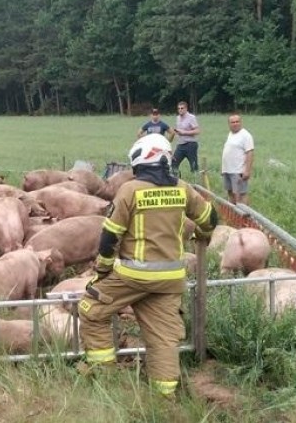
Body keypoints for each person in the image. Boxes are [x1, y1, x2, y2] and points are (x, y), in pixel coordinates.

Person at [79, 133, 217, 399]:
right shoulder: (183, 189)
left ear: (141, 162)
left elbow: (109, 236)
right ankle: (164, 396)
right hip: (171, 278)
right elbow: (210, 219)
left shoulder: (130, 190)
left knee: (91, 309)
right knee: (164, 337)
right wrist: (202, 234)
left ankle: (104, 375)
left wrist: (104, 270)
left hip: (134, 275)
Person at [220, 113, 254, 205]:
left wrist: (247, 171)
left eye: (237, 121)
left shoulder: (246, 135)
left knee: (241, 194)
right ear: (229, 124)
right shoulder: (231, 134)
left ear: (241, 122)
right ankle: (233, 215)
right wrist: (223, 168)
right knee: (230, 192)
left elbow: (250, 153)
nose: (235, 124)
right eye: (232, 122)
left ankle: (244, 216)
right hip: (228, 170)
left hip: (238, 170)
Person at [171, 102, 201, 178]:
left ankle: (196, 181)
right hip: (180, 145)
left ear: (186, 109)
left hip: (190, 144)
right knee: (173, 162)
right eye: (178, 108)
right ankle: (176, 179)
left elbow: (197, 131)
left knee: (193, 165)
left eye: (182, 108)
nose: (180, 110)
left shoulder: (191, 117)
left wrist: (184, 132)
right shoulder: (178, 118)